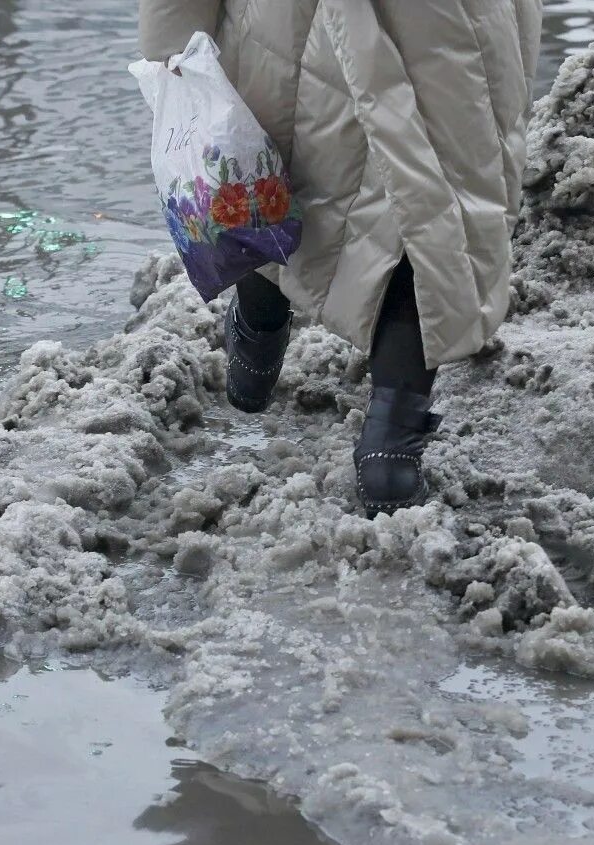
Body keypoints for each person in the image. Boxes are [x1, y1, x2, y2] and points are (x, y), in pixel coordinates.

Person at [139, 0, 543, 514]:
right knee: (426, 212)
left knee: (278, 178)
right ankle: (388, 451)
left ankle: (258, 337)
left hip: (290, 25)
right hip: (446, 27)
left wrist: (169, 43)